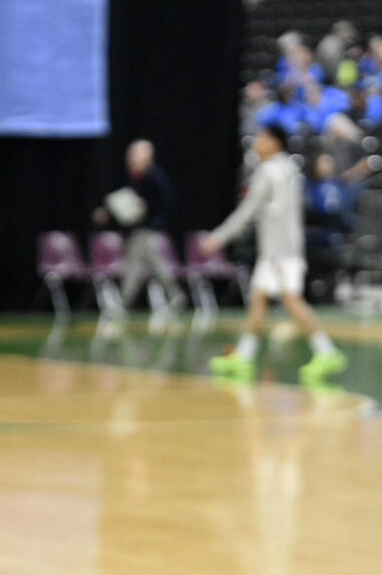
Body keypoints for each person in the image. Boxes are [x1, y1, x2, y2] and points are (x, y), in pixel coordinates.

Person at [202, 123, 347, 382]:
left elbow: (248, 210)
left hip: (279, 252)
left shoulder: (269, 171)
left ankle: (327, 351)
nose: (256, 143)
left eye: (261, 138)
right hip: (281, 249)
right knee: (258, 298)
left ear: (273, 142)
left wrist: (218, 237)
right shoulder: (289, 168)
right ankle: (244, 356)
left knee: (290, 299)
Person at [92, 139, 188, 313]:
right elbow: (124, 200)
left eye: (135, 153)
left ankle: (126, 301)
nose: (131, 157)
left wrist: (146, 207)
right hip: (137, 228)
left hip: (149, 228)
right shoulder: (132, 176)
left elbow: (166, 201)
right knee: (147, 263)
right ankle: (174, 295)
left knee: (139, 263)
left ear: (147, 156)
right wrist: (109, 212)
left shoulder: (154, 175)